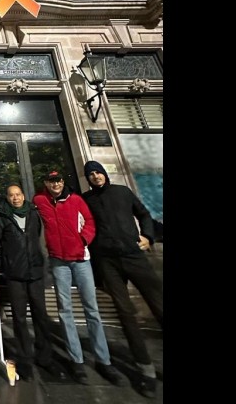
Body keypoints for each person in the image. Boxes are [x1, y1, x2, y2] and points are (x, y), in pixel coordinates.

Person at [32, 169, 123, 386]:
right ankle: (76, 360)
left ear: (63, 182)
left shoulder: (76, 200)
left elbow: (90, 221)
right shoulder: (40, 201)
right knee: (65, 310)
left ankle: (103, 360)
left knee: (91, 309)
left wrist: (84, 240)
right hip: (58, 261)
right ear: (46, 183)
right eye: (51, 181)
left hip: (81, 260)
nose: (56, 184)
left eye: (58, 181)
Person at [82, 160, 163, 398]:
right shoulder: (86, 199)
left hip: (134, 256)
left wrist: (148, 236)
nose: (95, 176)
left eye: (98, 172)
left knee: (159, 305)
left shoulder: (122, 191)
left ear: (104, 173)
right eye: (91, 174)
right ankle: (146, 370)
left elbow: (143, 213)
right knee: (125, 313)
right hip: (107, 262)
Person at [0, 183, 67, 381]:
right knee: (20, 318)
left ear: (23, 196)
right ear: (7, 198)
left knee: (41, 315)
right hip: (15, 274)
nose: (15, 198)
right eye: (11, 195)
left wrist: (43, 262)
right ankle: (24, 360)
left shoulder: (33, 213)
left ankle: (45, 357)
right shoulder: (0, 216)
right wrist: (2, 265)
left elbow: (40, 237)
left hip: (35, 272)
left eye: (18, 194)